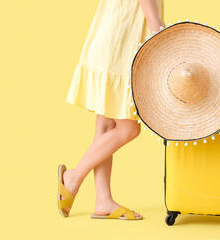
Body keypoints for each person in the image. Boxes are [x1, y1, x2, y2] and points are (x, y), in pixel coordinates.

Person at [58, 0, 165, 220]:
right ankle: (74, 177)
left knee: (106, 128)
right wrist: (157, 27)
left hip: (117, 33)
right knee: (129, 129)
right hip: (123, 39)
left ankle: (103, 201)